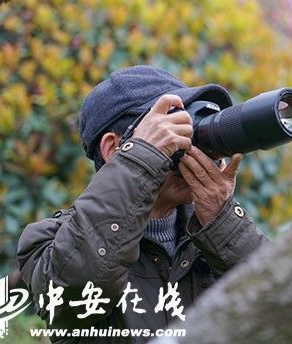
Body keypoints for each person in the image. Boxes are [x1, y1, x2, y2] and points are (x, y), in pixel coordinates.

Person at [17, 66, 269, 343]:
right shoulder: (49, 241)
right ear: (114, 148)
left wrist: (224, 224)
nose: (189, 147)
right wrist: (141, 159)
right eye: (171, 131)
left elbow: (282, 308)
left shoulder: (212, 236)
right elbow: (74, 289)